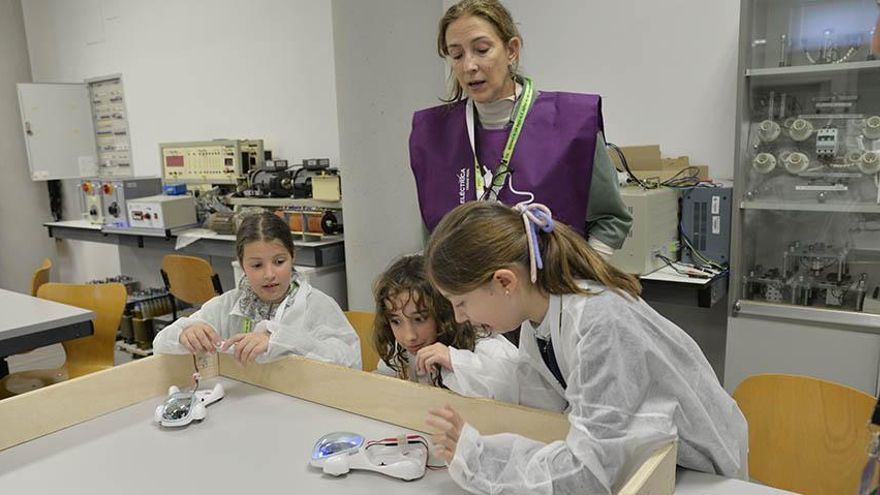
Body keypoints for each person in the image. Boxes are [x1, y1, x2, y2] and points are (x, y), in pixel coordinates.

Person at [423, 200, 747, 494]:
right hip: (661, 465)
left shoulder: (598, 321)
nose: (459, 317)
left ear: (505, 282)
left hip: (698, 474)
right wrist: (464, 368)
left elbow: (589, 475)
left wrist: (480, 460)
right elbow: (541, 391)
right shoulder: (540, 318)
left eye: (461, 302)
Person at [409, 0, 631, 259]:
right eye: (457, 55)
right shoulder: (434, 135)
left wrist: (582, 280)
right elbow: (433, 233)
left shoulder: (572, 124)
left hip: (551, 292)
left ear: (511, 50)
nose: (469, 66)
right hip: (469, 295)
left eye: (481, 50)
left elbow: (611, 219)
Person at [153, 211, 361, 369]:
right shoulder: (227, 306)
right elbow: (161, 344)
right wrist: (186, 333)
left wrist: (280, 340)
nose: (269, 274)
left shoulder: (317, 305)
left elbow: (350, 359)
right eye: (257, 265)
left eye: (279, 262)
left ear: (292, 257)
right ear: (242, 265)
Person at [372, 254, 533, 404]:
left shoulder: (486, 345)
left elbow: (512, 389)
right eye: (396, 321)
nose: (409, 336)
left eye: (420, 319)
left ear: (443, 311)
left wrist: (454, 360)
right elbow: (380, 382)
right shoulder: (404, 349)